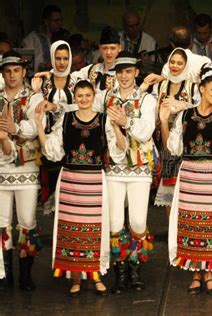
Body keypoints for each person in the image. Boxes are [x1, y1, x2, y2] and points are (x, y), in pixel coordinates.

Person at [34, 80, 126, 296]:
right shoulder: (65, 119)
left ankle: (95, 276)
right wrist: (39, 125)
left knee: (95, 229)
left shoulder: (103, 120)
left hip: (94, 180)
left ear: (94, 96)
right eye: (80, 95)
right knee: (71, 229)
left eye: (88, 95)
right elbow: (52, 151)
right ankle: (75, 277)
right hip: (70, 181)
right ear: (74, 97)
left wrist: (116, 127)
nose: (84, 99)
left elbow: (119, 150)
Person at [165, 68, 212, 295]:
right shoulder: (185, 116)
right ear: (202, 89)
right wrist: (163, 121)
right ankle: (195, 273)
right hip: (189, 173)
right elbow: (174, 147)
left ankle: (209, 273)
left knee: (211, 223)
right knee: (190, 222)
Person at [97, 52, 157, 294]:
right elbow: (80, 104)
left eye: (128, 71)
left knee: (138, 221)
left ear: (136, 72)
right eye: (119, 71)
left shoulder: (146, 100)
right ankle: (120, 270)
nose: (123, 76)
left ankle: (135, 267)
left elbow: (146, 132)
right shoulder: (105, 97)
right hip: (114, 167)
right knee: (115, 221)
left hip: (140, 168)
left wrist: (126, 121)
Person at [0, 50, 45, 291]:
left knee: (27, 221)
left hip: (26, 168)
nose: (12, 75)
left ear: (24, 72)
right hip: (0, 169)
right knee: (2, 223)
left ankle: (26, 275)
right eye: (7, 71)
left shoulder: (33, 98)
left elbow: (37, 126)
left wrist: (14, 126)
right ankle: (5, 275)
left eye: (16, 70)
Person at [30, 40, 78, 214]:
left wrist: (55, 107)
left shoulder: (76, 81)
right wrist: (35, 93)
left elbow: (80, 108)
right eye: (58, 58)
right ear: (52, 58)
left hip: (70, 141)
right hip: (46, 140)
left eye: (65, 58)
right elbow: (33, 107)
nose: (62, 62)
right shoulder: (43, 82)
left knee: (69, 191)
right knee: (51, 185)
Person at [150, 48, 197, 215]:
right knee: (168, 183)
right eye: (172, 62)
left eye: (179, 63)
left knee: (183, 184)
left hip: (184, 142)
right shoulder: (161, 85)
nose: (175, 66)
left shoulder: (192, 87)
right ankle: (171, 228)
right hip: (162, 139)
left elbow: (200, 108)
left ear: (186, 65)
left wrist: (182, 105)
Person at [21, 5, 69, 72]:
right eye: (56, 20)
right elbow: (25, 64)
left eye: (61, 20)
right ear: (46, 22)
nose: (60, 23)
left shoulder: (63, 36)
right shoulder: (31, 39)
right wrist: (44, 66)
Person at [73, 26, 122, 92]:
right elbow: (71, 78)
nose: (108, 52)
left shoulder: (124, 73)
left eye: (113, 48)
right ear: (100, 48)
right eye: (105, 48)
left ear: (119, 48)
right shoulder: (92, 69)